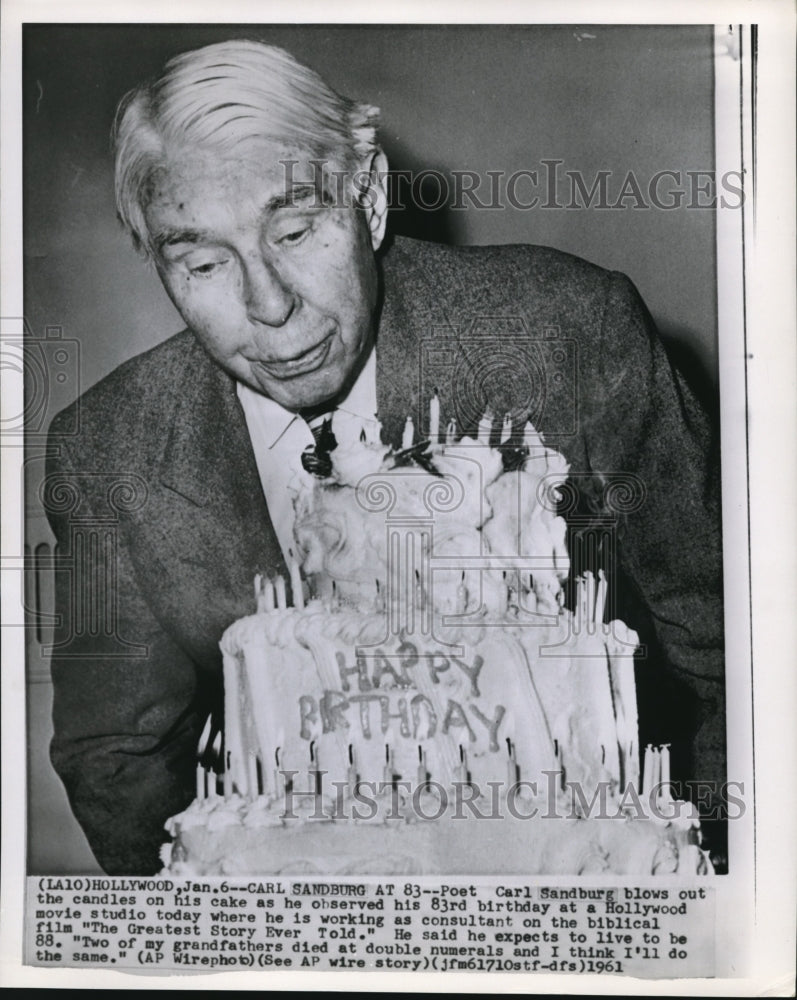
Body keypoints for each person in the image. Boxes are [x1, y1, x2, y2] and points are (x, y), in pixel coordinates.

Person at [45, 39, 725, 874]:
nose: (270, 306)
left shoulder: (566, 334)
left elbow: (732, 649)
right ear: (158, 260)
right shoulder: (107, 450)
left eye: (295, 230)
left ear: (366, 201)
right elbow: (118, 753)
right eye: (204, 262)